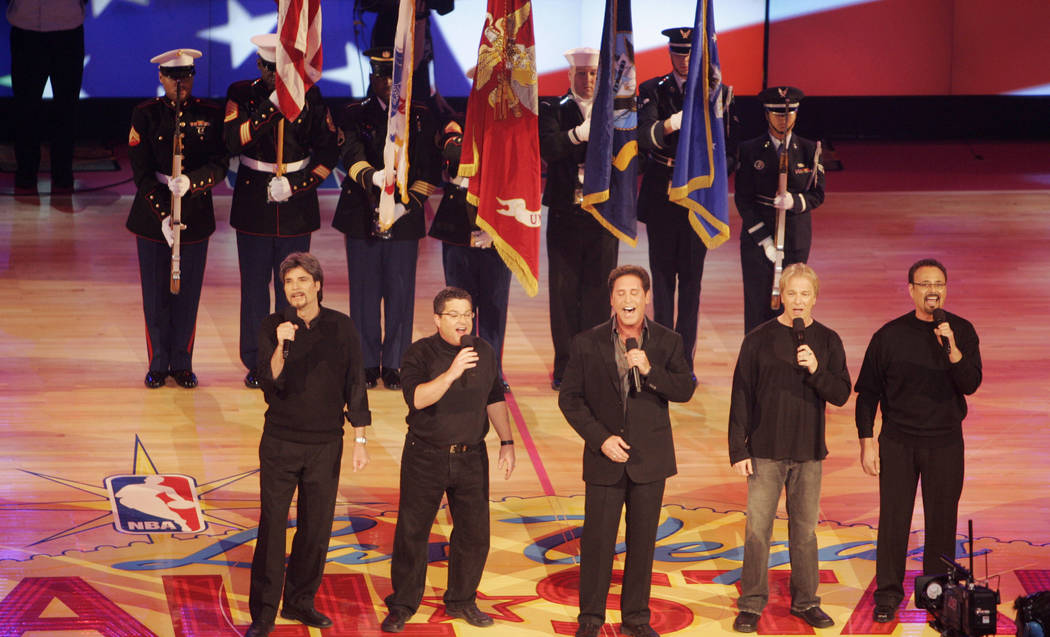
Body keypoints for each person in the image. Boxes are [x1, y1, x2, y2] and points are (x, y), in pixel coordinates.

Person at [559, 265, 696, 637]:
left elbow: (685, 389)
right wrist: (600, 438)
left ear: (646, 297)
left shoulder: (667, 342)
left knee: (642, 543)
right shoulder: (587, 342)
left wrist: (650, 371)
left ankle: (636, 618)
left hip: (649, 461)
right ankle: (591, 617)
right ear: (611, 299)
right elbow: (570, 399)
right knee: (598, 542)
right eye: (620, 293)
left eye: (634, 293)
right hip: (605, 458)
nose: (627, 300)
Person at [245, 252, 371, 637]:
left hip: (325, 444)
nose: (295, 288)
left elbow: (356, 384)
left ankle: (300, 602)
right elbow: (269, 382)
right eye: (288, 282)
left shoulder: (342, 327)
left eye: (302, 280)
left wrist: (360, 439)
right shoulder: (273, 326)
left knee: (316, 528)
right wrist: (282, 345)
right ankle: (263, 614)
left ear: (318, 284)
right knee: (273, 528)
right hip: (280, 442)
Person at [380, 286, 516, 633]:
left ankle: (462, 599)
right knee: (413, 531)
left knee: (474, 533)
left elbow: (494, 395)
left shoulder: (483, 350)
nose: (462, 321)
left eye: (467, 314)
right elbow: (418, 399)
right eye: (453, 315)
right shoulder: (419, 354)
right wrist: (453, 371)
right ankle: (404, 603)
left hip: (471, 456)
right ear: (437, 319)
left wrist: (507, 440)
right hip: (426, 455)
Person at [854, 258, 982, 624]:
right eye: (924, 284)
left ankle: (936, 595)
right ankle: (888, 594)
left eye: (938, 283)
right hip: (898, 441)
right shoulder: (889, 336)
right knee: (894, 521)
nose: (932, 290)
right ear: (911, 289)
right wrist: (867, 441)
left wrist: (952, 348)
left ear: (946, 288)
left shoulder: (961, 330)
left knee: (942, 521)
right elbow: (867, 394)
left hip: (945, 442)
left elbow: (970, 383)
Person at [726, 263, 850, 633]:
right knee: (757, 531)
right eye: (792, 293)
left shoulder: (827, 341)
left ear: (815, 297)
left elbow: (841, 393)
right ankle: (751, 603)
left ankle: (807, 601)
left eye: (805, 294)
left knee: (805, 532)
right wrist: (738, 449)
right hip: (765, 451)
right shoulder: (758, 339)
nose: (798, 301)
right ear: (782, 295)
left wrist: (817, 369)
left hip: (809, 453)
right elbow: (741, 395)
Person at [223, 33, 340, 390]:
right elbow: (231, 140)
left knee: (293, 287)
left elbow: (328, 151)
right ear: (259, 66)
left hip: (294, 203)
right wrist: (270, 106)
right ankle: (258, 359)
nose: (278, 76)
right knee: (254, 287)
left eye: (284, 70)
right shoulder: (242, 94)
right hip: (254, 201)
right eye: (271, 70)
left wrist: (297, 184)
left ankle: (290, 353)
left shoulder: (311, 96)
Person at [334, 46, 441, 392]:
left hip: (404, 218)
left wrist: (404, 206)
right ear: (373, 78)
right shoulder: (353, 112)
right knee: (364, 295)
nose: (386, 84)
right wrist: (372, 178)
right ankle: (366, 362)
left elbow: (428, 167)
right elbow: (349, 152)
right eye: (381, 77)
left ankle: (396, 362)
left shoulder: (421, 115)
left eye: (393, 77)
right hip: (361, 213)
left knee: (400, 293)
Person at [125, 48, 227, 389]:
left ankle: (182, 362)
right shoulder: (145, 114)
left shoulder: (211, 114)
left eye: (186, 77)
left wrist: (194, 182)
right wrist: (165, 215)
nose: (179, 83)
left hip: (195, 212)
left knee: (188, 294)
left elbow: (219, 163)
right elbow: (140, 174)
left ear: (193, 78)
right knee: (155, 295)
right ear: (161, 77)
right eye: (172, 77)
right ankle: (158, 361)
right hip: (153, 216)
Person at [539, 47, 619, 391]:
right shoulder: (552, 109)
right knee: (563, 292)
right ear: (570, 77)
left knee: (598, 293)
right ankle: (566, 366)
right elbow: (549, 147)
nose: (588, 81)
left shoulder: (615, 111)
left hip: (602, 217)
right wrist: (577, 136)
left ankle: (594, 365)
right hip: (565, 214)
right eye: (582, 75)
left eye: (593, 74)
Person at [636, 26, 707, 375]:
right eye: (678, 52)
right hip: (662, 195)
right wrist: (669, 125)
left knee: (691, 284)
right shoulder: (652, 89)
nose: (684, 59)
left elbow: (729, 150)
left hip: (696, 197)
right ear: (670, 54)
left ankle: (684, 362)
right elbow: (645, 138)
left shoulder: (715, 91)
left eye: (690, 52)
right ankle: (662, 358)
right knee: (662, 282)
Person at [427, 109, 513, 390]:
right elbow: (454, 159)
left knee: (494, 306)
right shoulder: (457, 126)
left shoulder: (512, 128)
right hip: (458, 231)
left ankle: (492, 372)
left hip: (498, 229)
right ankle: (460, 368)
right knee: (458, 307)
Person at [734, 86, 825, 333]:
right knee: (757, 304)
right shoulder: (750, 149)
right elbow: (743, 199)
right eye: (777, 114)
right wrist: (764, 241)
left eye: (788, 114)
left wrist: (794, 201)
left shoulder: (809, 149)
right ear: (766, 115)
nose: (783, 119)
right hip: (758, 239)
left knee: (793, 302)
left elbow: (818, 195)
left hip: (795, 236)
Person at [7, 0, 85, 194]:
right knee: (25, 107)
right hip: (26, 28)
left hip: (68, 28)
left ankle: (63, 173)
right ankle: (26, 172)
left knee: (66, 107)